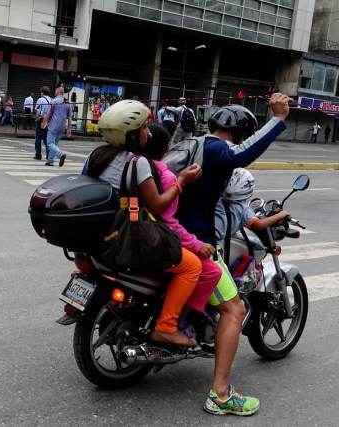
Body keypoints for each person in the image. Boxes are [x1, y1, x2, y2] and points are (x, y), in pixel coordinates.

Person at [174, 95, 292, 416]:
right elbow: (245, 154)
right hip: (197, 243)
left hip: (168, 234)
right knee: (235, 310)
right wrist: (278, 120)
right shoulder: (215, 149)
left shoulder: (191, 143)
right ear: (238, 133)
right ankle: (221, 395)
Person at [82, 100, 204, 347]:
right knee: (191, 266)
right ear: (130, 134)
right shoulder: (137, 163)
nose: (148, 133)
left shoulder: (95, 156)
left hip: (103, 235)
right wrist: (181, 181)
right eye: (143, 128)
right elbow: (158, 205)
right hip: (128, 236)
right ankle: (167, 326)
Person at [142, 123, 222, 343]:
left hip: (126, 233)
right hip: (152, 239)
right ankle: (174, 323)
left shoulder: (122, 163)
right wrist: (197, 244)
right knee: (207, 271)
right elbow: (167, 222)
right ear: (166, 148)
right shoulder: (165, 177)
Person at [214, 168, 290, 243]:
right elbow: (258, 225)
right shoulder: (243, 209)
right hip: (212, 241)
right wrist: (280, 215)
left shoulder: (217, 199)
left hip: (203, 233)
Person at [41, 86, 72, 167]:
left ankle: (60, 155)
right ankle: (50, 161)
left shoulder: (53, 101)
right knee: (54, 144)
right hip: (62, 127)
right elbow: (70, 116)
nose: (54, 93)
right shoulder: (67, 102)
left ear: (58, 92)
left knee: (50, 143)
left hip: (53, 126)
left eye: (55, 91)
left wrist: (43, 122)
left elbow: (48, 114)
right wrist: (69, 128)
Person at [33, 86, 51, 160]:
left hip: (41, 120)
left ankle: (38, 155)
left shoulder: (40, 100)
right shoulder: (51, 99)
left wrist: (36, 119)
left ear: (42, 92)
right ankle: (48, 154)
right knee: (46, 138)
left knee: (38, 138)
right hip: (48, 120)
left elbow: (38, 112)